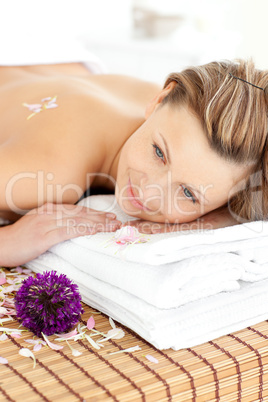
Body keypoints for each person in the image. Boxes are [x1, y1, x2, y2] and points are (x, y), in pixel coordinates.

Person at [0, 59, 267, 267]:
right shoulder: (49, 175)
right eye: (159, 153)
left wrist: (229, 216)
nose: (149, 193)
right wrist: (8, 243)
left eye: (188, 193)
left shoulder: (178, 110)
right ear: (160, 100)